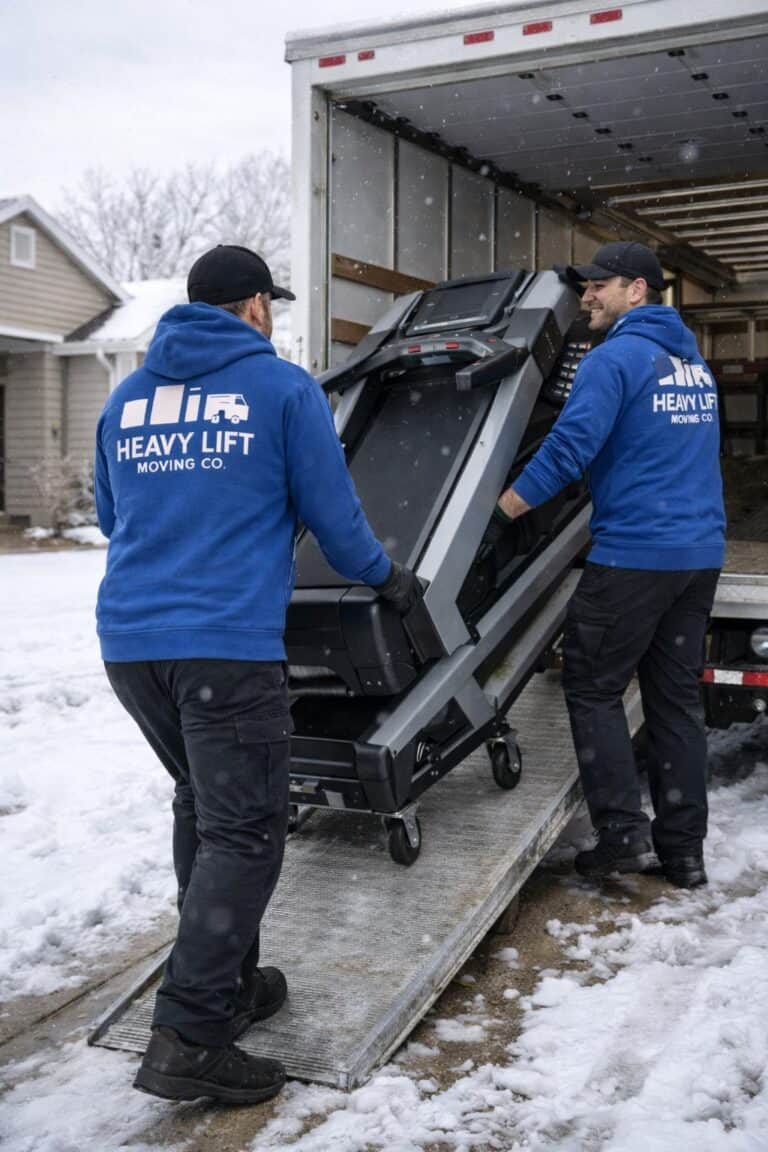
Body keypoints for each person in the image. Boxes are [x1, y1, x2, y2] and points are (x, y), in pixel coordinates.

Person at [94, 244, 421, 1105]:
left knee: (204, 806)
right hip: (224, 648)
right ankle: (189, 1034)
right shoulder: (281, 389)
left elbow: (108, 512)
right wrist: (391, 580)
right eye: (268, 303)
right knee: (247, 831)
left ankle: (230, 986)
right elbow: (335, 519)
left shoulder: (127, 397)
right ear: (252, 308)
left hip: (132, 643)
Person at [492, 241, 725, 888]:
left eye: (600, 285)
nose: (587, 296)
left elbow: (569, 447)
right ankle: (684, 852)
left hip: (634, 557)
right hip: (696, 556)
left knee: (592, 686)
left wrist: (501, 513)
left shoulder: (613, 359)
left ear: (638, 291)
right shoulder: (691, 366)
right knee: (675, 702)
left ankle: (622, 835)